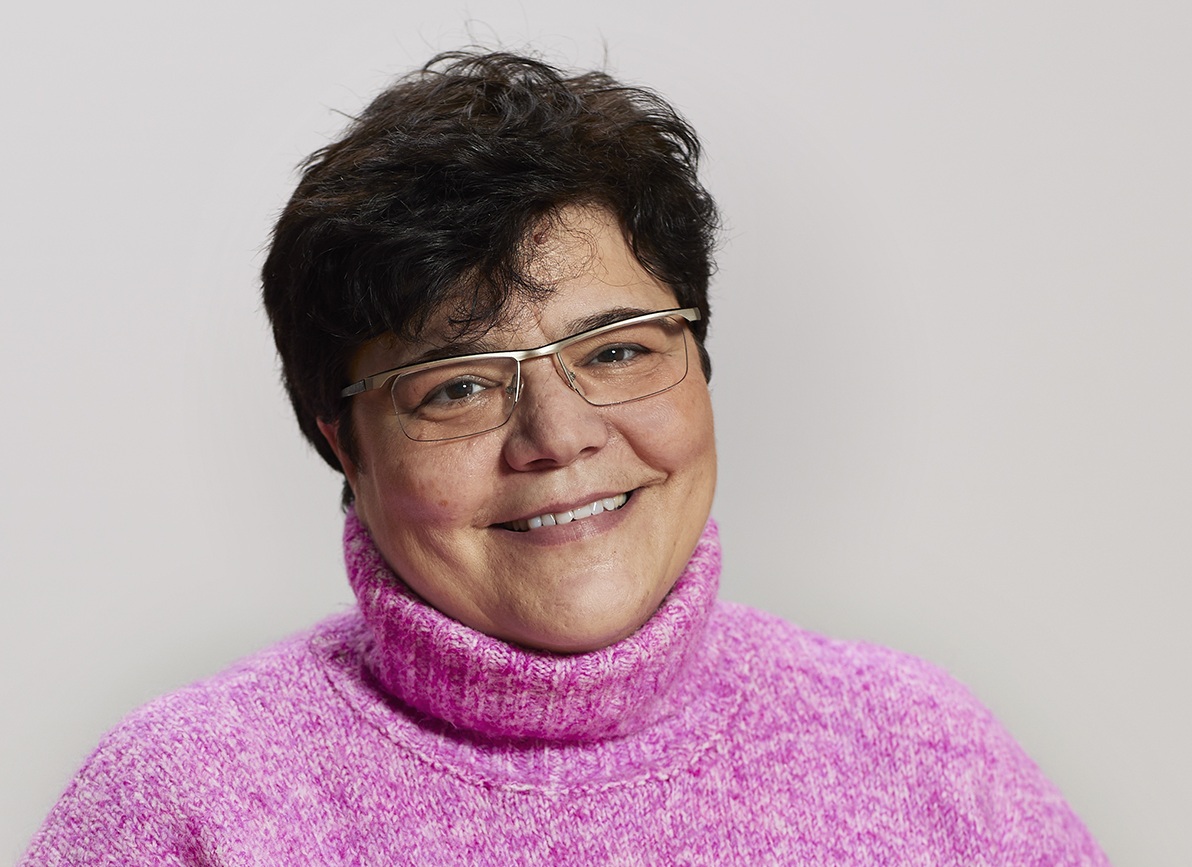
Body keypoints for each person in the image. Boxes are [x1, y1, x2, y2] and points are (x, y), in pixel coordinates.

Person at [20, 51, 1110, 865]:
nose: (560, 435)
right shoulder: (187, 805)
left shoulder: (922, 754)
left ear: (701, 362)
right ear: (340, 441)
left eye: (621, 349)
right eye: (457, 385)